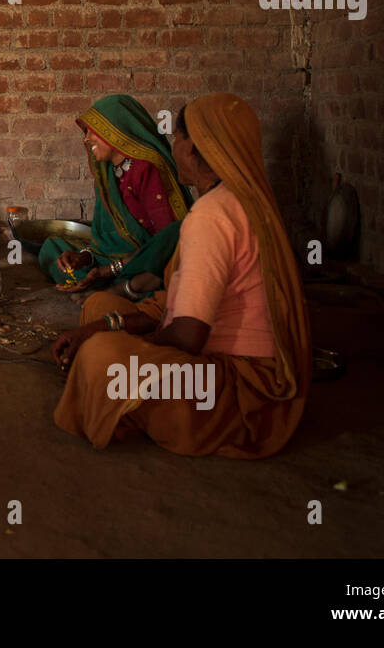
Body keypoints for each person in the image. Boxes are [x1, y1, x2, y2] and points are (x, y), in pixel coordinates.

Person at [50, 93, 312, 459]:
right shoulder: (244, 199)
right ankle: (123, 392)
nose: (172, 147)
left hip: (236, 390)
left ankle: (133, 404)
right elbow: (170, 305)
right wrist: (103, 325)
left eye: (178, 138)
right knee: (98, 307)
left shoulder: (212, 216)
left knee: (99, 358)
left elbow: (187, 335)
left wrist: (125, 342)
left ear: (195, 147)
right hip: (221, 362)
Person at [39, 94, 192, 301]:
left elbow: (165, 244)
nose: (86, 138)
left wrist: (111, 269)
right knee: (51, 249)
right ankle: (101, 285)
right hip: (111, 258)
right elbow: (106, 240)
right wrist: (84, 258)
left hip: (143, 260)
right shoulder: (108, 171)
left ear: (114, 131)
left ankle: (115, 289)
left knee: (157, 279)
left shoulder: (146, 170)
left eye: (93, 131)